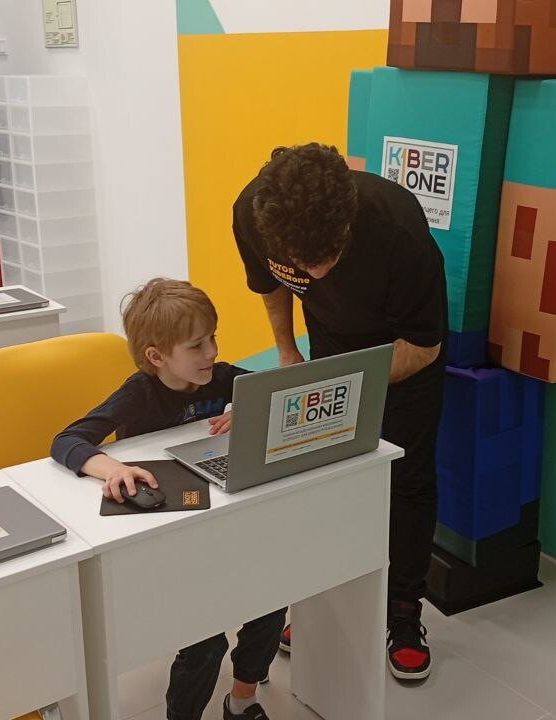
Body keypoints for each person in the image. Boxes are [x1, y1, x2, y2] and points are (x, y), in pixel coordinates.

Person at [233, 143, 447, 681]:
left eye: (329, 257)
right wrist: (288, 353)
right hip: (331, 347)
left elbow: (425, 346)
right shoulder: (252, 213)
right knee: (327, 476)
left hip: (403, 351)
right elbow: (269, 284)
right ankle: (322, 603)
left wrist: (346, 386)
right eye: (304, 263)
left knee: (408, 480)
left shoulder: (398, 229)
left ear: (348, 219)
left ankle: (404, 612)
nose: (317, 272)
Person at [51, 278, 284, 720]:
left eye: (212, 338)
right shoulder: (138, 393)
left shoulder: (222, 377)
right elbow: (67, 441)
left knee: (271, 603)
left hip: (218, 517)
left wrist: (244, 407)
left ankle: (242, 701)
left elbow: (273, 392)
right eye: (196, 345)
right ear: (157, 356)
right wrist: (112, 468)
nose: (212, 352)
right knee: (205, 639)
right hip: (164, 534)